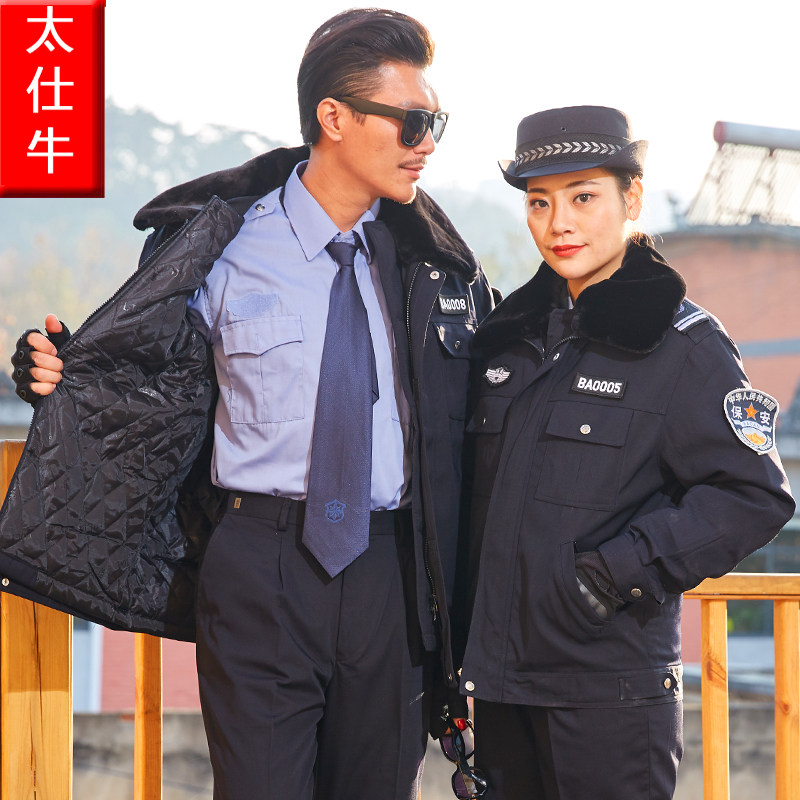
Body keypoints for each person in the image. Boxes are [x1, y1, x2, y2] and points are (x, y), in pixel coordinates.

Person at [2, 9, 493, 799]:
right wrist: (57, 375)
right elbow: (141, 378)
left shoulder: (435, 267)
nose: (427, 143)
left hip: (393, 579)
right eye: (412, 122)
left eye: (435, 123)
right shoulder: (219, 246)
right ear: (334, 117)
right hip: (259, 566)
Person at [456, 105, 795, 799]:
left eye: (583, 198)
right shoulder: (507, 343)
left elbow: (754, 494)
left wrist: (613, 574)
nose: (559, 223)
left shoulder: (684, 347)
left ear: (631, 199)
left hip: (608, 696)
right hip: (500, 693)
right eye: (539, 202)